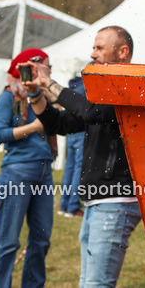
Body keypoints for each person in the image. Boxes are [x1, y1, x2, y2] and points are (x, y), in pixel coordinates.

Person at [25, 26, 142, 287]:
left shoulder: (132, 84)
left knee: (96, 284)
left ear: (123, 52)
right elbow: (60, 124)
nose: (93, 53)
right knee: (87, 282)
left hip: (116, 200)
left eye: (100, 47)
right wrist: (36, 94)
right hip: (98, 201)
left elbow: (89, 112)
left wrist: (50, 83)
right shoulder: (104, 89)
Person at [0, 49, 54, 288]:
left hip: (44, 172)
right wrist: (35, 127)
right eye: (45, 67)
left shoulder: (44, 97)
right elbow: (0, 135)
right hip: (16, 173)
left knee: (41, 239)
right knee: (8, 242)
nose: (49, 71)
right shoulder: (8, 97)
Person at [58, 74, 87, 217]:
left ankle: (64, 204)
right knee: (77, 170)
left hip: (70, 132)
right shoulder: (85, 87)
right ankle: (72, 206)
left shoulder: (73, 85)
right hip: (81, 131)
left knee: (69, 168)